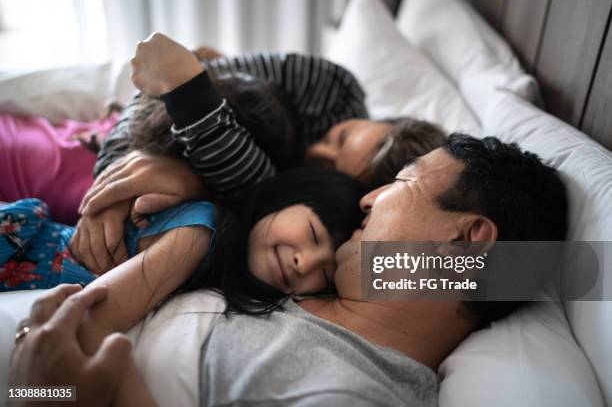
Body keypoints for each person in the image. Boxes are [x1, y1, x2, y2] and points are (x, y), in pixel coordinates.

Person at [10, 134, 569, 406]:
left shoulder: (349, 393)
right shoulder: (289, 288)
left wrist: (50, 397)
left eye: (401, 183)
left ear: (467, 246)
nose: (370, 199)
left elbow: (55, 386)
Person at [71, 33, 446, 276]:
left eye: (326, 165)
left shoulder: (330, 210)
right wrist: (108, 186)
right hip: (145, 135)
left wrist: (190, 176)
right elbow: (167, 85)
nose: (316, 149)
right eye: (342, 135)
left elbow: (257, 197)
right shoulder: (333, 88)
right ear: (383, 119)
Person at [0, 167, 366, 308]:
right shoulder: (200, 232)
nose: (306, 263)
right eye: (312, 234)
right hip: (21, 246)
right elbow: (102, 312)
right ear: (283, 199)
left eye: (326, 274)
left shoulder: (223, 277)